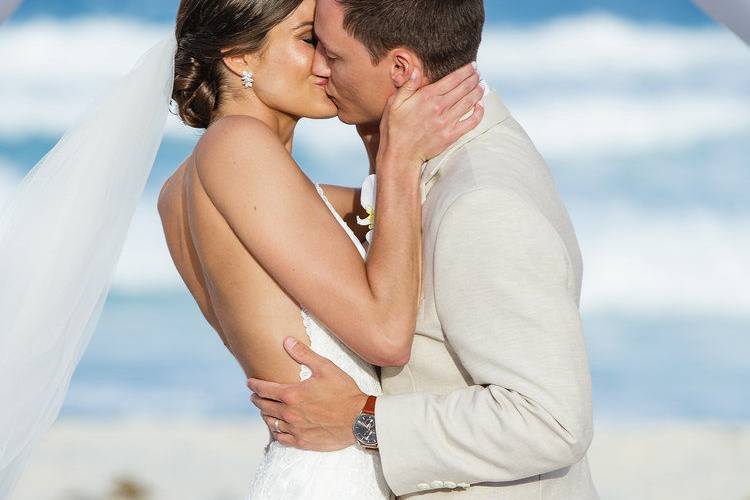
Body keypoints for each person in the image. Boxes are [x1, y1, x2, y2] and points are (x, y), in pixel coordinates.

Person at [246, 0, 600, 498]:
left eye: (333, 53)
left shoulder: (481, 200)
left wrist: (362, 421)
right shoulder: (429, 159)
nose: (318, 69)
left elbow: (552, 420)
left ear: (400, 69)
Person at [157, 0, 483, 498]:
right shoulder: (237, 146)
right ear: (240, 57)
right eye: (310, 40)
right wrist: (399, 157)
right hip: (337, 471)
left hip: (309, 467)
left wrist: (379, 132)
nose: (326, 63)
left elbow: (391, 222)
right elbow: (386, 333)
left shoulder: (186, 186)